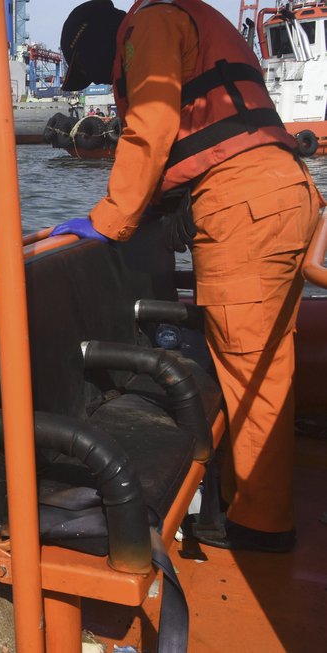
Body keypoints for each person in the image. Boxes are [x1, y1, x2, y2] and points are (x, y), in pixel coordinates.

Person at [54, 0, 323, 552]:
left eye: (102, 69)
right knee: (266, 360)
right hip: (277, 193)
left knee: (252, 370)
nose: (109, 78)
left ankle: (259, 523)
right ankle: (256, 502)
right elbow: (205, 132)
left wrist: (110, 220)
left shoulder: (150, 21)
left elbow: (152, 122)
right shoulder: (191, 17)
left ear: (104, 41)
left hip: (242, 206)